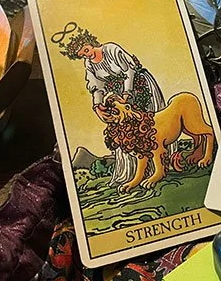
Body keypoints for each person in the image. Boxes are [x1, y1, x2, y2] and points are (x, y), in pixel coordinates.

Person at [57, 26, 167, 187]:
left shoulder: (111, 49)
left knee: (149, 128)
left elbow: (129, 72)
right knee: (125, 131)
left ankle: (160, 167)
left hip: (139, 86)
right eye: (82, 55)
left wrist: (126, 94)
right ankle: (133, 173)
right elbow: (96, 86)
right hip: (119, 95)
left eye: (86, 50)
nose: (87, 55)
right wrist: (97, 105)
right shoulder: (89, 64)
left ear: (90, 43)